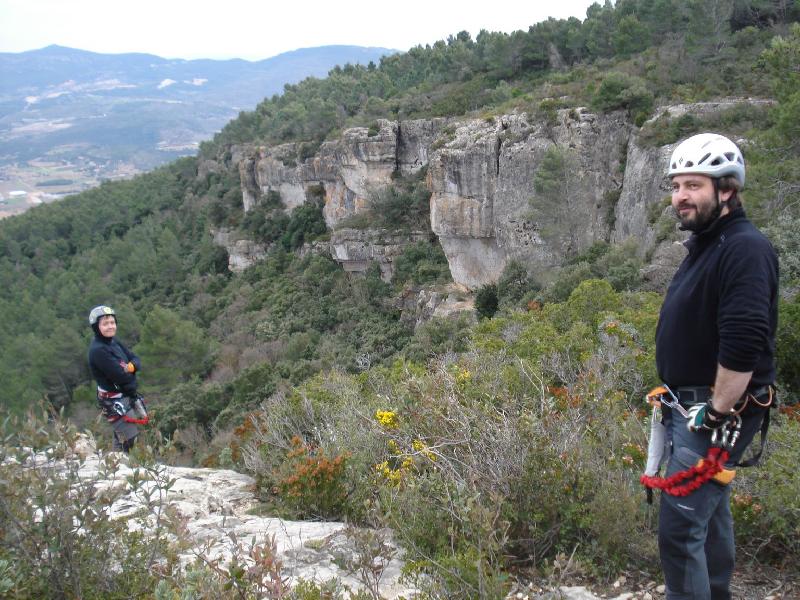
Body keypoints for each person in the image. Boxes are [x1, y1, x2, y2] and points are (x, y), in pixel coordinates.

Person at [653, 133, 778, 599]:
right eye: (676, 186)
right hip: (692, 407)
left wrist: (717, 409)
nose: (680, 197)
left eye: (693, 186)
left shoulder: (743, 248)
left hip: (712, 414)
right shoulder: (712, 243)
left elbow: (744, 340)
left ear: (726, 190)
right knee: (709, 517)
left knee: (680, 528)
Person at [87, 305, 145, 453]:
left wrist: (131, 367)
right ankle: (126, 465)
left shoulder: (113, 341)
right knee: (131, 442)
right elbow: (120, 376)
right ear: (96, 327)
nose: (110, 326)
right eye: (105, 324)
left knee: (122, 439)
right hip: (113, 400)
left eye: (112, 322)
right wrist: (131, 370)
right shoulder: (98, 350)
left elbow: (135, 359)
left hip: (123, 395)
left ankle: (116, 462)